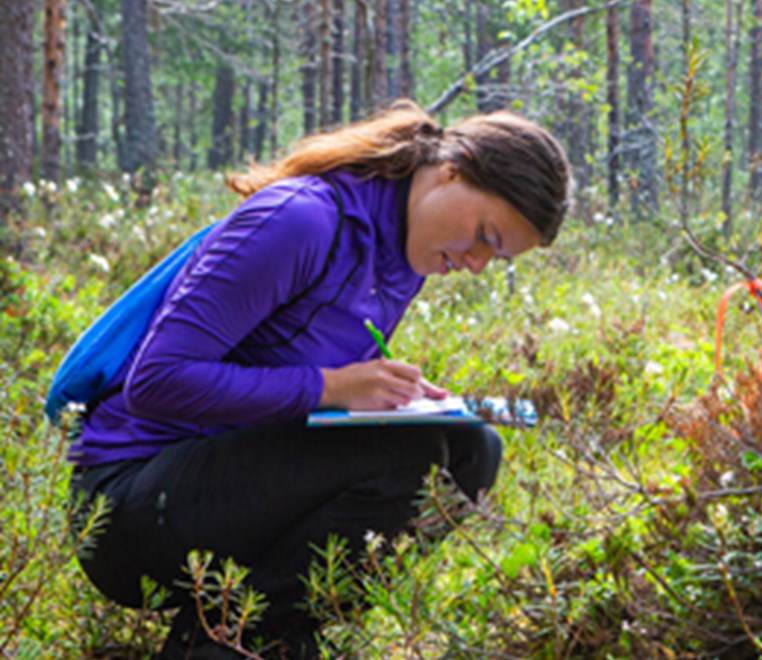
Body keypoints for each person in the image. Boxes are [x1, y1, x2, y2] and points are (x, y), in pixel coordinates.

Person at [68, 99, 571, 658]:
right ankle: (225, 645)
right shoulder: (304, 219)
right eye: (485, 235)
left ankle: (266, 634)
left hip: (223, 483)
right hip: (124, 506)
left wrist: (391, 399)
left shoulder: (404, 257)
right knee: (414, 456)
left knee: (475, 449)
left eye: (495, 258)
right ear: (454, 168)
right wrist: (329, 387)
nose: (476, 263)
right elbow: (156, 381)